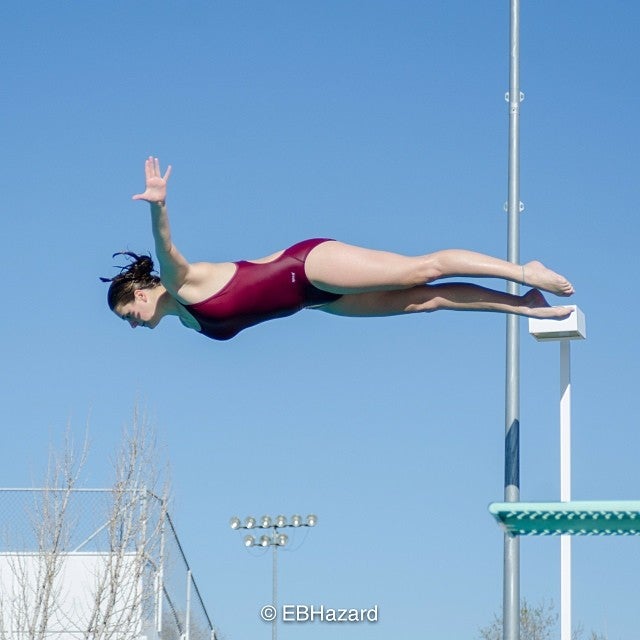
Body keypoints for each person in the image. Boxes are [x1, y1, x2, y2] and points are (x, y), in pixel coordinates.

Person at [102, 157, 575, 341]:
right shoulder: (186, 321)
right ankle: (525, 305)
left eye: (128, 315)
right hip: (317, 302)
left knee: (421, 271)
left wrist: (158, 206)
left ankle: (523, 271)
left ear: (141, 294)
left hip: (307, 268)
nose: (133, 325)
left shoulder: (182, 285)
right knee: (427, 302)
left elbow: (165, 247)